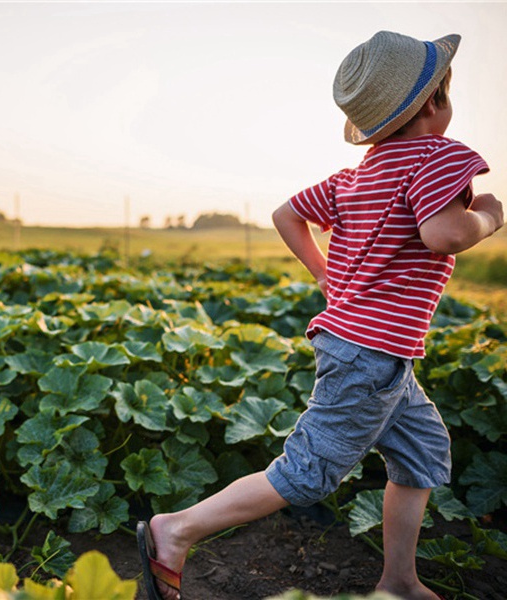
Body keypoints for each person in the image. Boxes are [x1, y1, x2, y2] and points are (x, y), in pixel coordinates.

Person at [136, 30, 504, 600]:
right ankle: (174, 529)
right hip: (371, 356)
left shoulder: (358, 174)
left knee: (424, 451)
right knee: (306, 474)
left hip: (377, 354)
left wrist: (322, 272)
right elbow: (444, 234)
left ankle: (399, 582)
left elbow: (287, 214)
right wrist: (487, 215)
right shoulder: (439, 155)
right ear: (436, 101)